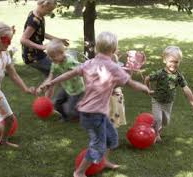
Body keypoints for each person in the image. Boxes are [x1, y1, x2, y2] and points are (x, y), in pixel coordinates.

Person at [39, 32, 153, 177]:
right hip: (93, 114)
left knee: (112, 138)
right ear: (114, 49)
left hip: (96, 113)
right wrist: (146, 89)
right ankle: (79, 172)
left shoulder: (89, 63)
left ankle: (104, 161)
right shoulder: (113, 67)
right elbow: (131, 84)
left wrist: (52, 82)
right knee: (97, 145)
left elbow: (70, 74)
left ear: (97, 48)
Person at [144, 46, 193, 143]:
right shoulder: (160, 73)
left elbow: (186, 89)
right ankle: (155, 135)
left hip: (168, 103)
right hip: (157, 100)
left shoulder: (178, 76)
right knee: (157, 119)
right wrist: (148, 89)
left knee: (165, 121)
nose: (173, 64)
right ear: (164, 60)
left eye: (176, 62)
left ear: (179, 62)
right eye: (171, 61)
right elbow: (147, 78)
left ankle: (158, 131)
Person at [38, 39, 85, 122]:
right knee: (56, 103)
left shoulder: (70, 61)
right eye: (49, 56)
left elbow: (77, 72)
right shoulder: (54, 63)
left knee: (71, 110)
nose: (50, 58)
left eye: (53, 56)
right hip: (66, 87)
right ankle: (65, 117)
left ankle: (81, 115)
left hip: (76, 89)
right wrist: (43, 85)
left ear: (62, 53)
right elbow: (50, 77)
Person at [20, 0, 69, 77]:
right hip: (33, 56)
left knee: (51, 78)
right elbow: (23, 39)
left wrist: (58, 40)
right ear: (43, 6)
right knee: (62, 71)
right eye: (48, 10)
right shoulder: (34, 20)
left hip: (37, 54)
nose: (49, 13)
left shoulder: (39, 16)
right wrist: (41, 47)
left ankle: (46, 87)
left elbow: (41, 33)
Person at [108, 54, 126, 128]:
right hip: (110, 92)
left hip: (115, 92)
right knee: (111, 108)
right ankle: (110, 122)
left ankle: (114, 123)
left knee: (115, 108)